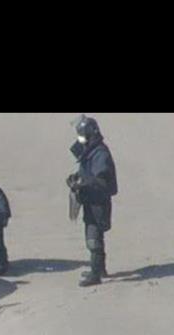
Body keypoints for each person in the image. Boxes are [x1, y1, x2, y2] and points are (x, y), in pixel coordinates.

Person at [66, 114, 118, 287]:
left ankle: (95, 274)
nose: (80, 139)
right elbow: (85, 171)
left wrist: (83, 183)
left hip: (98, 203)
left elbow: (101, 181)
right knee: (94, 234)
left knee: (93, 238)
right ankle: (100, 268)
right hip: (90, 201)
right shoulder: (90, 150)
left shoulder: (100, 154)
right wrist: (75, 179)